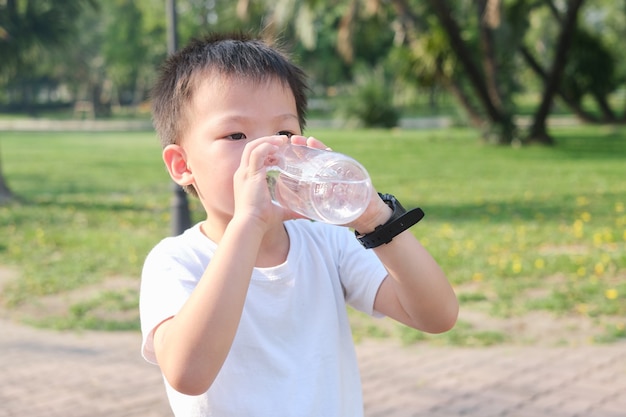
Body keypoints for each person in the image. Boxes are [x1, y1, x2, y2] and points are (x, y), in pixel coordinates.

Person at [140, 31, 458, 417]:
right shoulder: (176, 262)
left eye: (284, 132)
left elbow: (437, 315)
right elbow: (188, 374)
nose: (268, 151)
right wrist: (248, 224)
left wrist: (376, 219)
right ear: (182, 165)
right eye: (236, 134)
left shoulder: (326, 241)